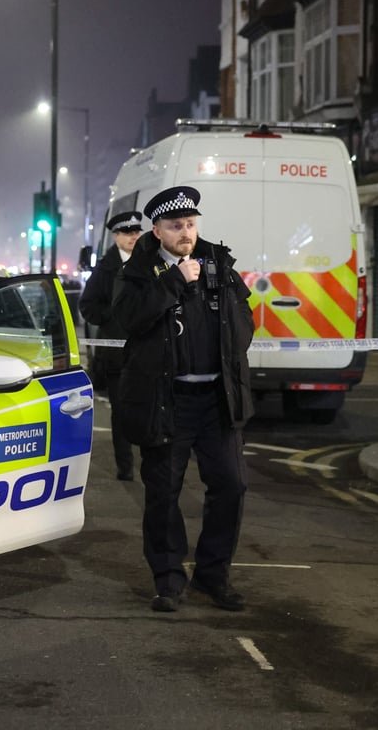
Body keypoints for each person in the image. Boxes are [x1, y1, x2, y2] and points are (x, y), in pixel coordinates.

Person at [112, 185, 254, 613]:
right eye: (176, 226)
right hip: (166, 401)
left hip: (216, 398)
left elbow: (244, 321)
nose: (186, 233)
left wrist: (231, 344)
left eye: (191, 224)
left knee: (231, 485)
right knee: (162, 494)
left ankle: (214, 575)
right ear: (157, 231)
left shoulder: (219, 265)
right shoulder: (138, 271)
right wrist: (174, 281)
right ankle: (169, 580)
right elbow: (128, 320)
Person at [79, 210, 143, 480]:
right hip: (118, 354)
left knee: (146, 409)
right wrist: (113, 317)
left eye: (136, 232)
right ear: (116, 236)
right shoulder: (106, 268)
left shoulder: (148, 262)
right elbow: (87, 306)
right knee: (121, 412)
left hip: (146, 350)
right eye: (127, 233)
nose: (133, 237)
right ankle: (125, 467)